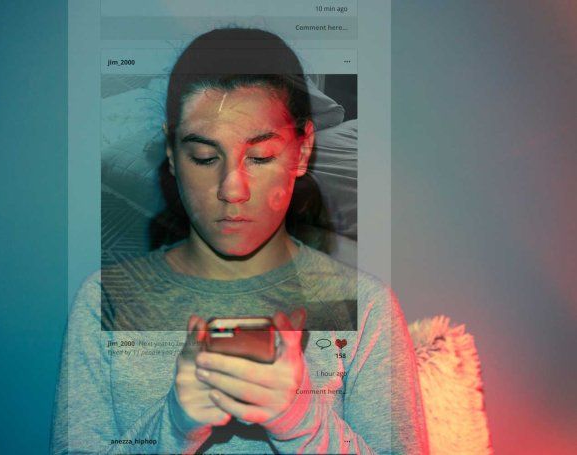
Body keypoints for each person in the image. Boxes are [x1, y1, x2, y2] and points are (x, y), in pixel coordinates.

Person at [51, 28, 429, 454]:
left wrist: (302, 422)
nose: (233, 189)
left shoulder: (365, 307)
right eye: (205, 158)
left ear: (302, 151)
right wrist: (173, 428)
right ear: (173, 154)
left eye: (261, 157)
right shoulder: (105, 302)